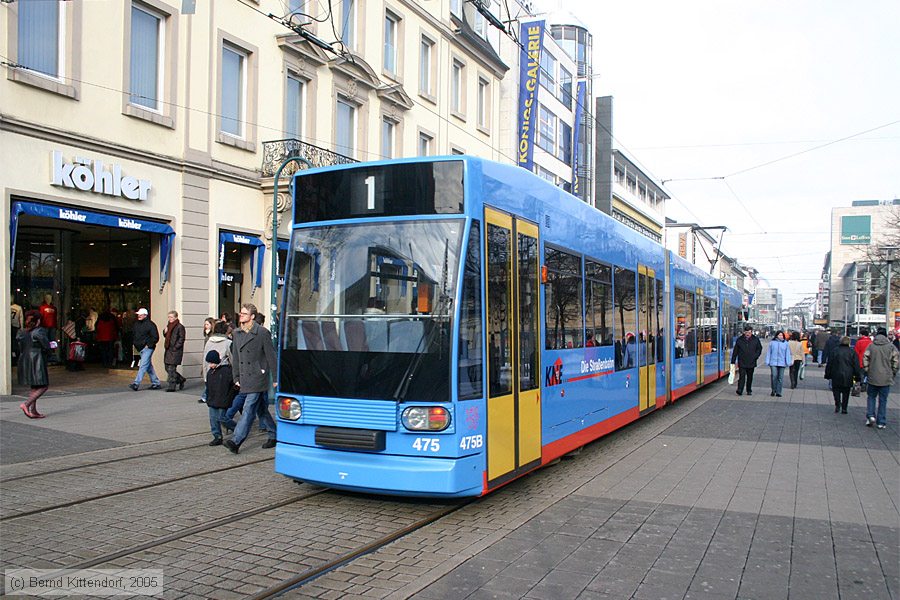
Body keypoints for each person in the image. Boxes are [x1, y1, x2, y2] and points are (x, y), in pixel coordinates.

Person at [224, 303, 277, 453]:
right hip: (244, 377)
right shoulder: (236, 333)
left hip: (257, 377)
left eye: (244, 314)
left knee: (248, 408)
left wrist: (275, 378)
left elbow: (271, 356)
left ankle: (236, 440)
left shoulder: (262, 333)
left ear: (252, 316)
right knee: (261, 410)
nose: (241, 316)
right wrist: (235, 376)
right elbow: (235, 357)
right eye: (240, 313)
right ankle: (274, 434)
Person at [16, 310, 52, 418]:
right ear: (38, 321)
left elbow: (20, 347)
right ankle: (26, 404)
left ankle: (34, 410)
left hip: (24, 359)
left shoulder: (21, 332)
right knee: (43, 386)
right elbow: (46, 346)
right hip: (37, 359)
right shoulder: (39, 331)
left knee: (34, 386)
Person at [863, 327, 900, 429]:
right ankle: (881, 422)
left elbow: (865, 357)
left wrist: (867, 369)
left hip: (872, 376)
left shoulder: (871, 346)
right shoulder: (891, 347)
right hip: (886, 377)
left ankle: (870, 416)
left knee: (871, 397)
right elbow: (896, 361)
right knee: (883, 400)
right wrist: (893, 372)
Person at [204, 350, 237, 446]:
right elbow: (208, 387)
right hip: (213, 399)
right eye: (209, 363)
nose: (210, 365)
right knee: (213, 419)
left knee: (222, 418)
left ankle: (237, 429)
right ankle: (217, 436)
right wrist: (208, 398)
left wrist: (229, 397)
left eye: (212, 363)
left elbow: (233, 386)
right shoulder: (210, 373)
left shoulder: (226, 371)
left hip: (223, 399)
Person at [824, 336, 863, 414]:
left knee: (836, 391)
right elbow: (856, 365)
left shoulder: (835, 351)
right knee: (846, 392)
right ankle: (844, 408)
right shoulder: (852, 352)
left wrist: (827, 374)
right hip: (848, 375)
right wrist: (858, 376)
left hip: (836, 373)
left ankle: (837, 405)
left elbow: (830, 363)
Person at [130, 308, 161, 391]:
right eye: (138, 314)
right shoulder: (136, 324)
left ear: (145, 315)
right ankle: (156, 382)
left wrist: (148, 345)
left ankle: (136, 383)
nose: (139, 315)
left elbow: (155, 337)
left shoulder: (150, 325)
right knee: (148, 366)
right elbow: (134, 334)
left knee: (143, 365)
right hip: (140, 347)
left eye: (141, 314)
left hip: (147, 348)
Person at [203, 321, 232, 404]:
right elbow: (232, 359)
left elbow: (204, 359)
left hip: (210, 371)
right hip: (223, 372)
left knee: (212, 397)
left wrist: (205, 376)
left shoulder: (209, 341)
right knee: (224, 397)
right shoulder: (228, 343)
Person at [731, 325, 762, 396]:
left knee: (749, 377)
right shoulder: (740, 340)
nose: (747, 334)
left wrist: (755, 356)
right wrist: (733, 361)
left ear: (751, 332)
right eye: (746, 332)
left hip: (751, 361)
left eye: (749, 332)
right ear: (744, 332)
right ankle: (740, 389)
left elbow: (759, 349)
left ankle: (749, 389)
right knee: (742, 376)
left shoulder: (755, 339)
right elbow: (735, 351)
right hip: (742, 361)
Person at [163, 311, 186, 392]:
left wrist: (176, 347)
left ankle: (172, 386)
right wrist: (165, 332)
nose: (170, 319)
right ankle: (180, 379)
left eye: (171, 317)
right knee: (167, 367)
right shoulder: (168, 326)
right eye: (169, 317)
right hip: (168, 349)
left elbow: (181, 338)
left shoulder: (180, 327)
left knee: (171, 368)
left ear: (176, 317)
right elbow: (167, 336)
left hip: (175, 350)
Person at [765, 330, 792, 397]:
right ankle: (773, 390)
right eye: (779, 335)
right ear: (776, 335)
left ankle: (779, 391)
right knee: (774, 376)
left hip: (782, 363)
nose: (780, 336)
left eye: (781, 335)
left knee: (780, 378)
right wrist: (767, 361)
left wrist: (788, 362)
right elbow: (769, 352)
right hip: (773, 362)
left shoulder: (785, 343)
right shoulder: (772, 343)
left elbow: (787, 353)